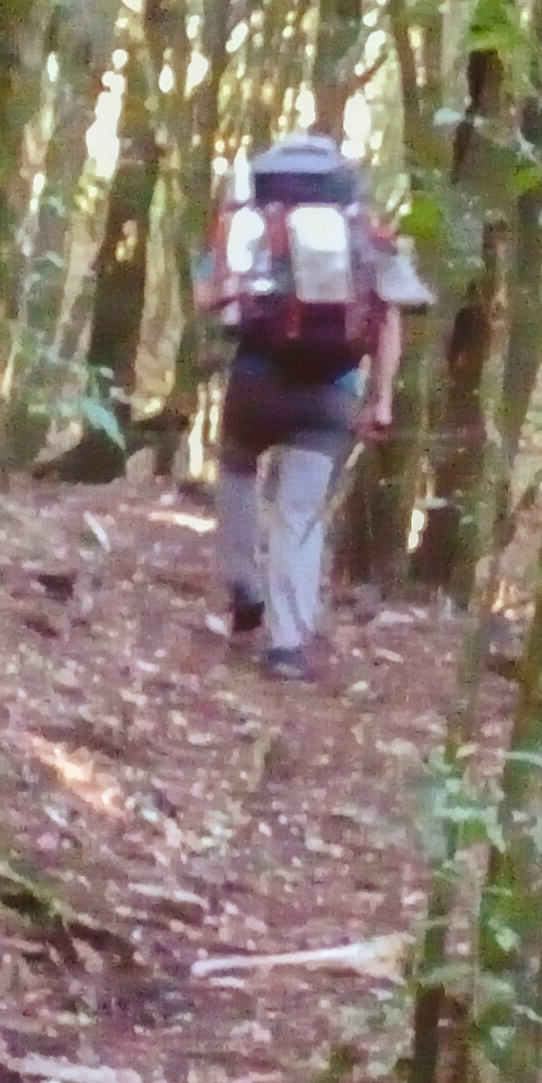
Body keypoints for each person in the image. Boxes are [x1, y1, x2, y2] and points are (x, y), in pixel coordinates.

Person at [194, 130, 429, 679]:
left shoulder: (246, 223)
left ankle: (245, 589)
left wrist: (240, 291)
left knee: (235, 474)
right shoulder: (366, 232)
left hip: (255, 383)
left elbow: (206, 299)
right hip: (332, 393)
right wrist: (382, 399)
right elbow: (392, 315)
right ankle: (286, 644)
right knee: (298, 513)